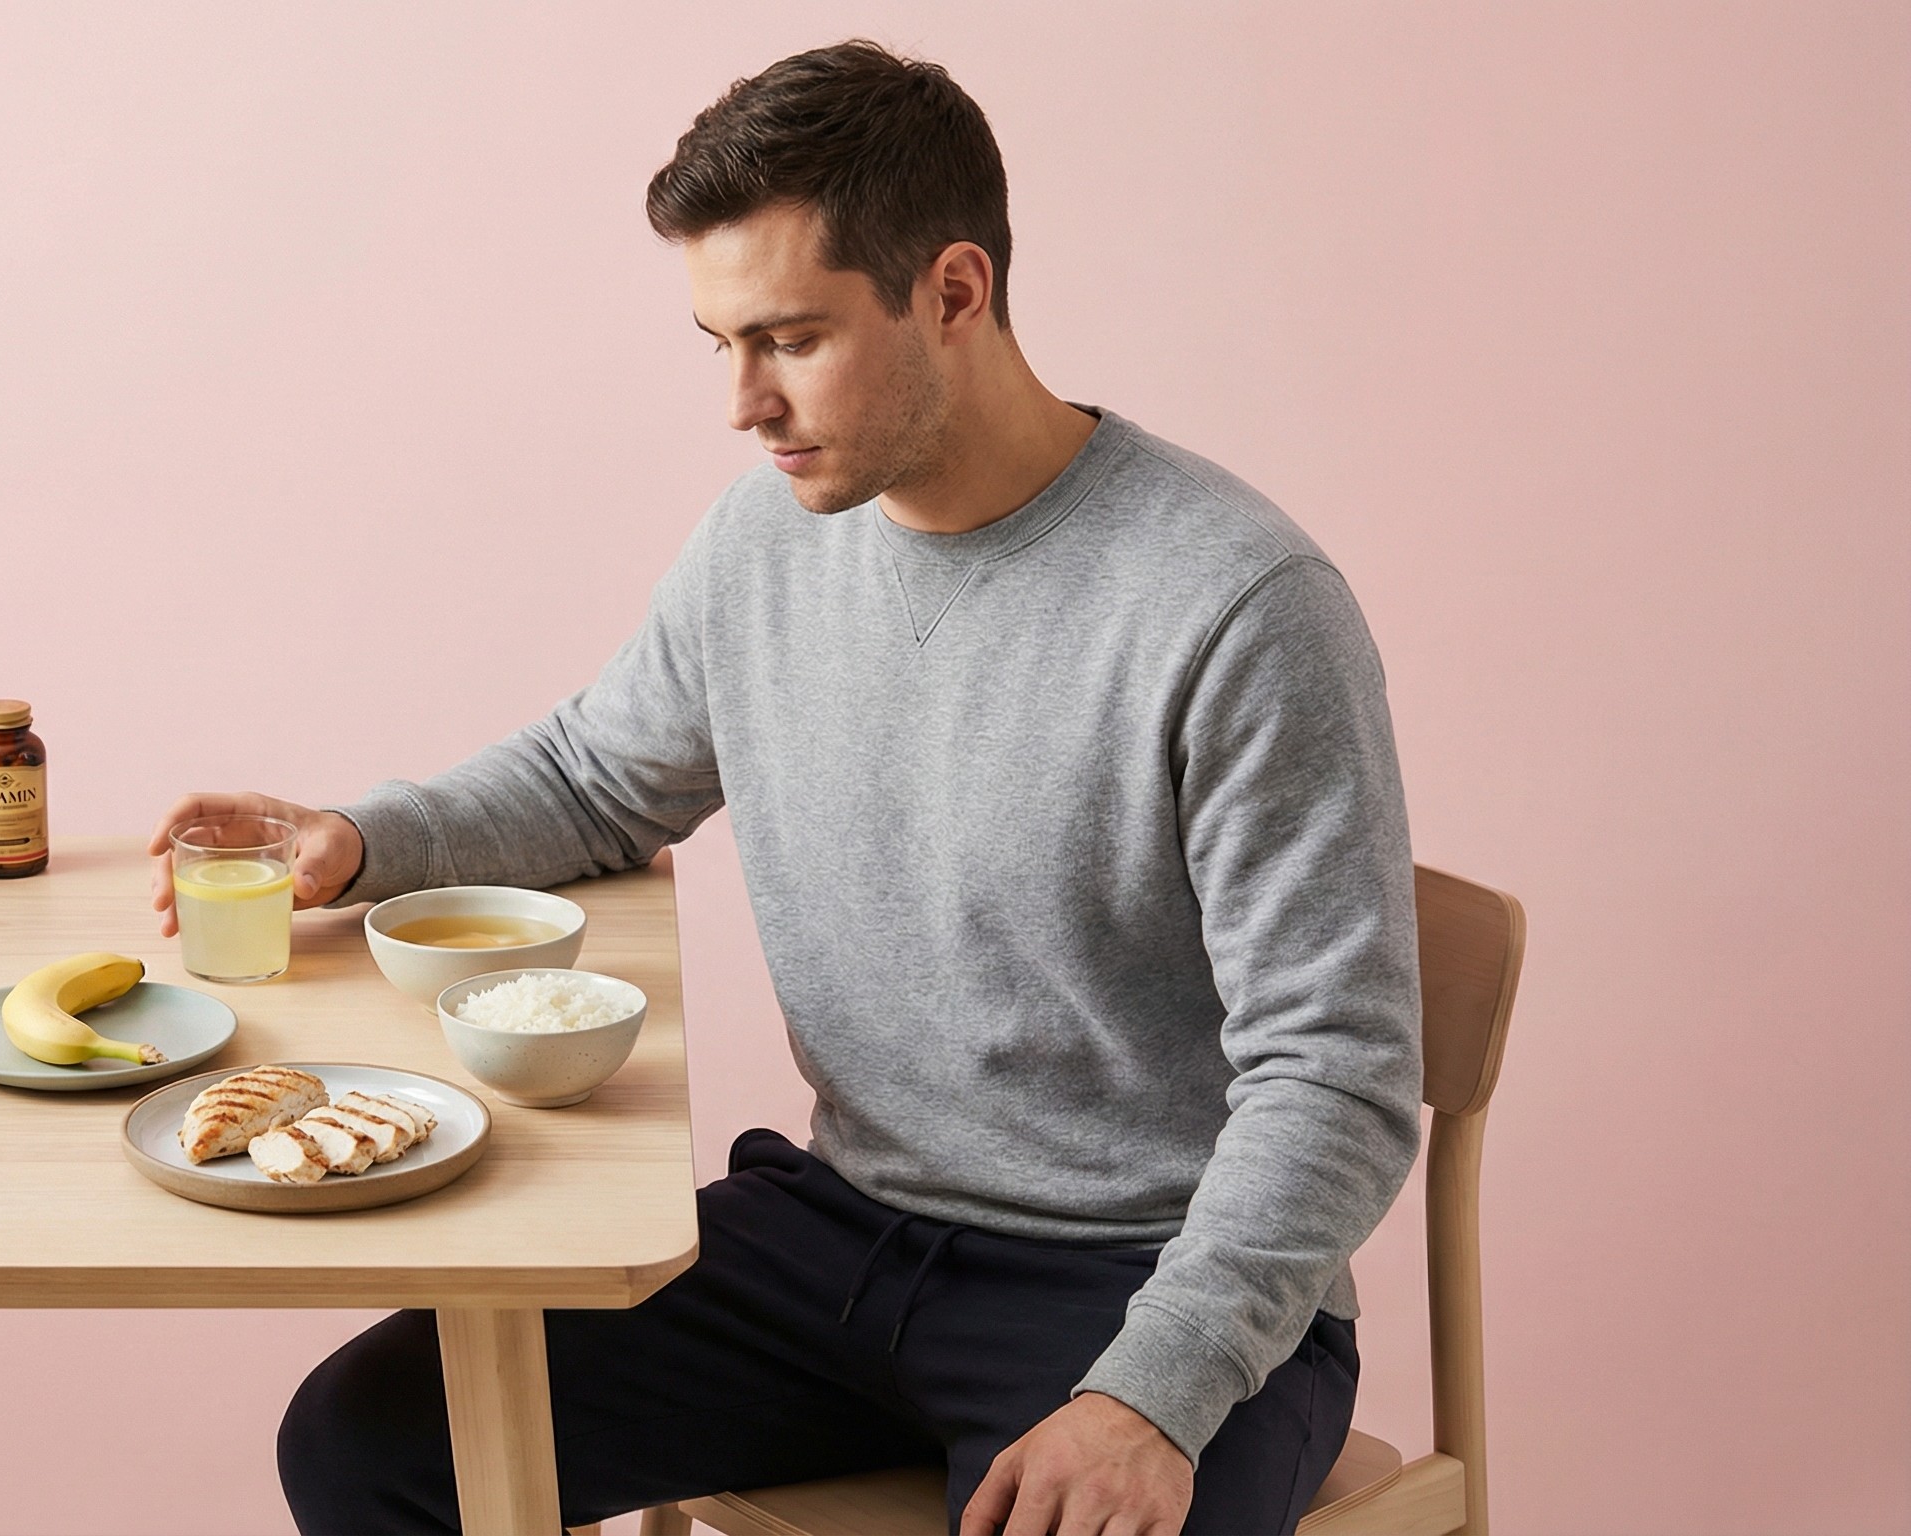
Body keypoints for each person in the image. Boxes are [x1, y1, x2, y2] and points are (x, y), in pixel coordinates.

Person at [144, 40, 1421, 1536]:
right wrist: (363, 840)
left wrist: (1154, 1392)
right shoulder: (766, 545)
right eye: (721, 344)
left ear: (955, 291)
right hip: (840, 1235)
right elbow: (596, 776)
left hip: (1144, 1279)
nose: (745, 403)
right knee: (368, 1443)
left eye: (792, 339)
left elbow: (1335, 1071)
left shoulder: (1235, 604)